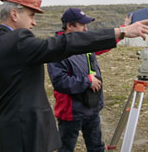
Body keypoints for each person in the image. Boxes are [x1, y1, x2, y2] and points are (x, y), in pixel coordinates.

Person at [0, 0, 148, 152]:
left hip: (4, 130)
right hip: (25, 133)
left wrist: (122, 30)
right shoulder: (18, 41)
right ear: (14, 14)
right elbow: (64, 44)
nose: (34, 23)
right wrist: (120, 31)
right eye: (32, 16)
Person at [47, 8, 132, 152]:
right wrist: (87, 81)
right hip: (71, 112)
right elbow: (60, 82)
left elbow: (101, 44)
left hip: (91, 106)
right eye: (82, 25)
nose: (87, 29)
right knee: (66, 148)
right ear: (69, 26)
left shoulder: (84, 43)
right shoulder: (57, 49)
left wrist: (124, 30)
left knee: (96, 146)